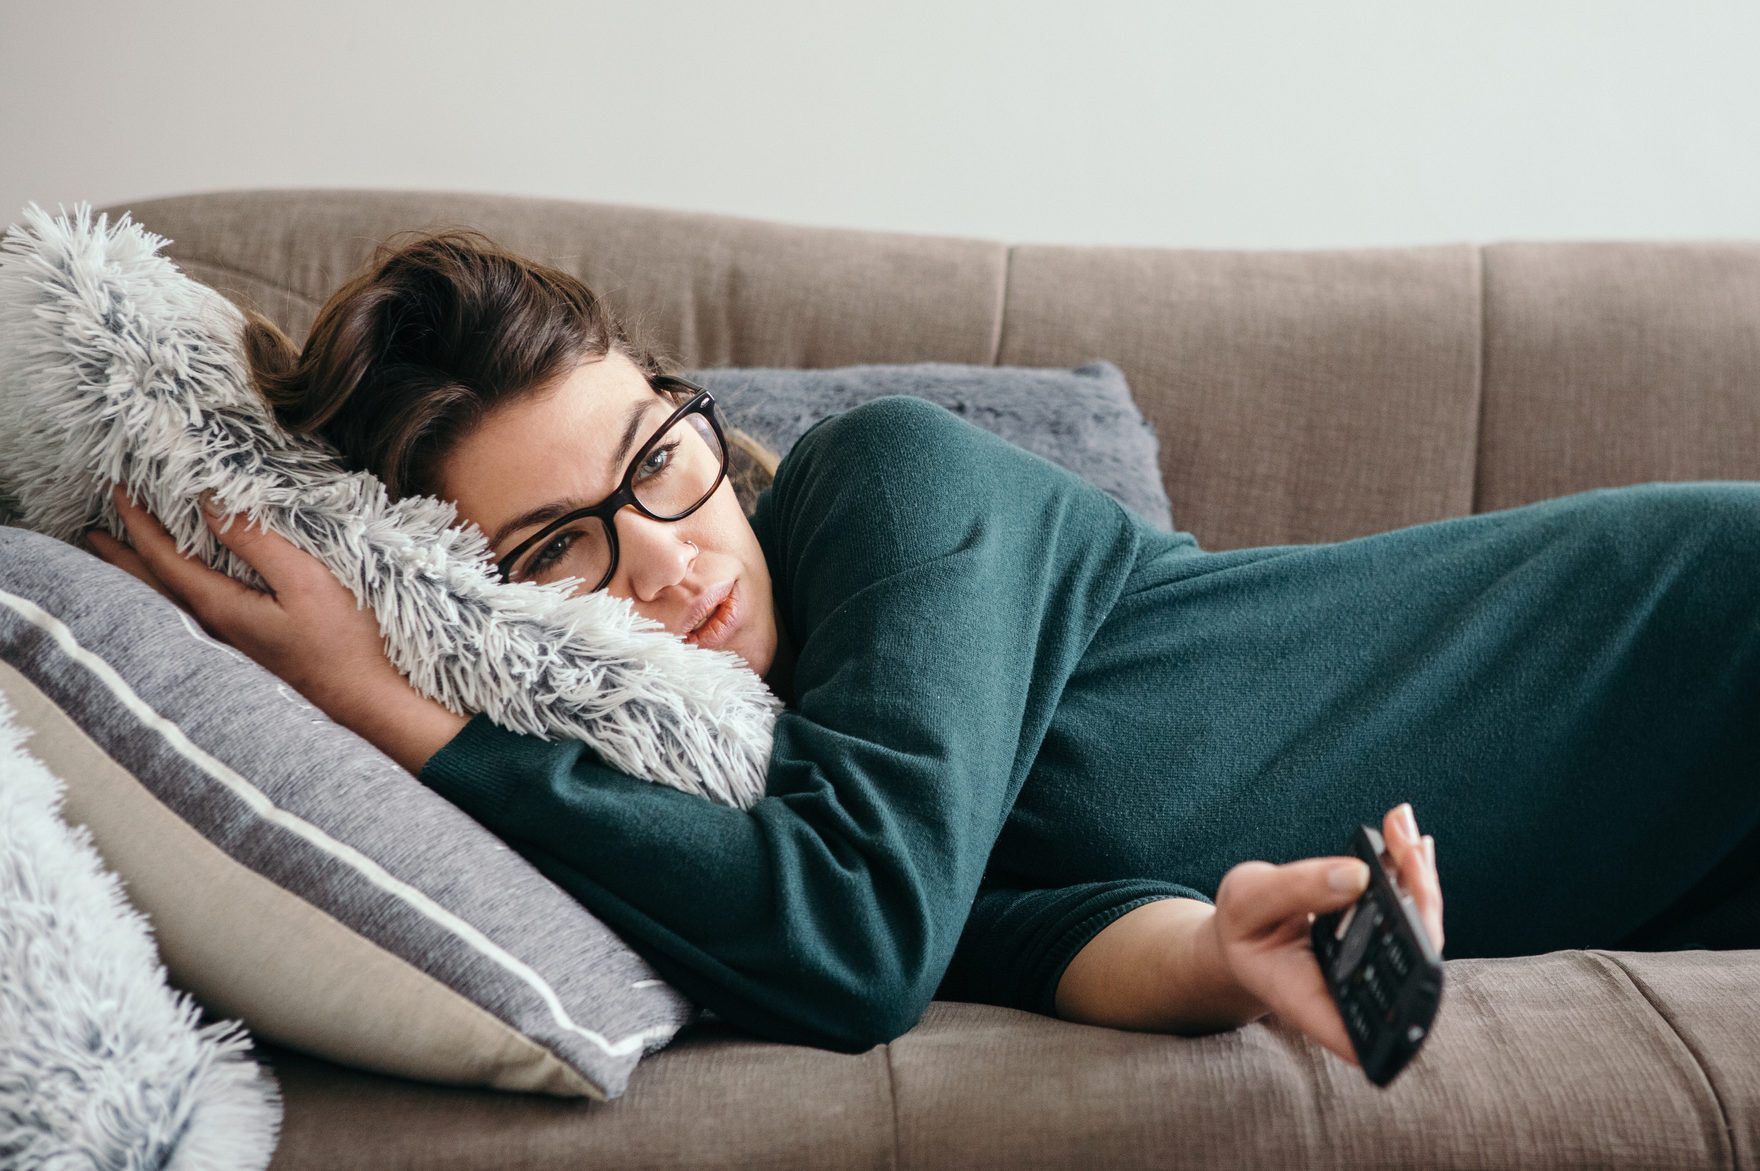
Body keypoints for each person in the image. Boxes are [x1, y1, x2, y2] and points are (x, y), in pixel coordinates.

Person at [87, 230, 1760, 1068]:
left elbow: (864, 946)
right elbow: (999, 933)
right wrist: (1211, 955)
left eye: (657, 463)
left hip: (1708, 641)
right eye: (556, 554)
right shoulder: (767, 786)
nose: (664, 565)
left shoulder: (889, 482)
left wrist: (379, 707)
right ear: (488, 605)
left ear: (697, 414)